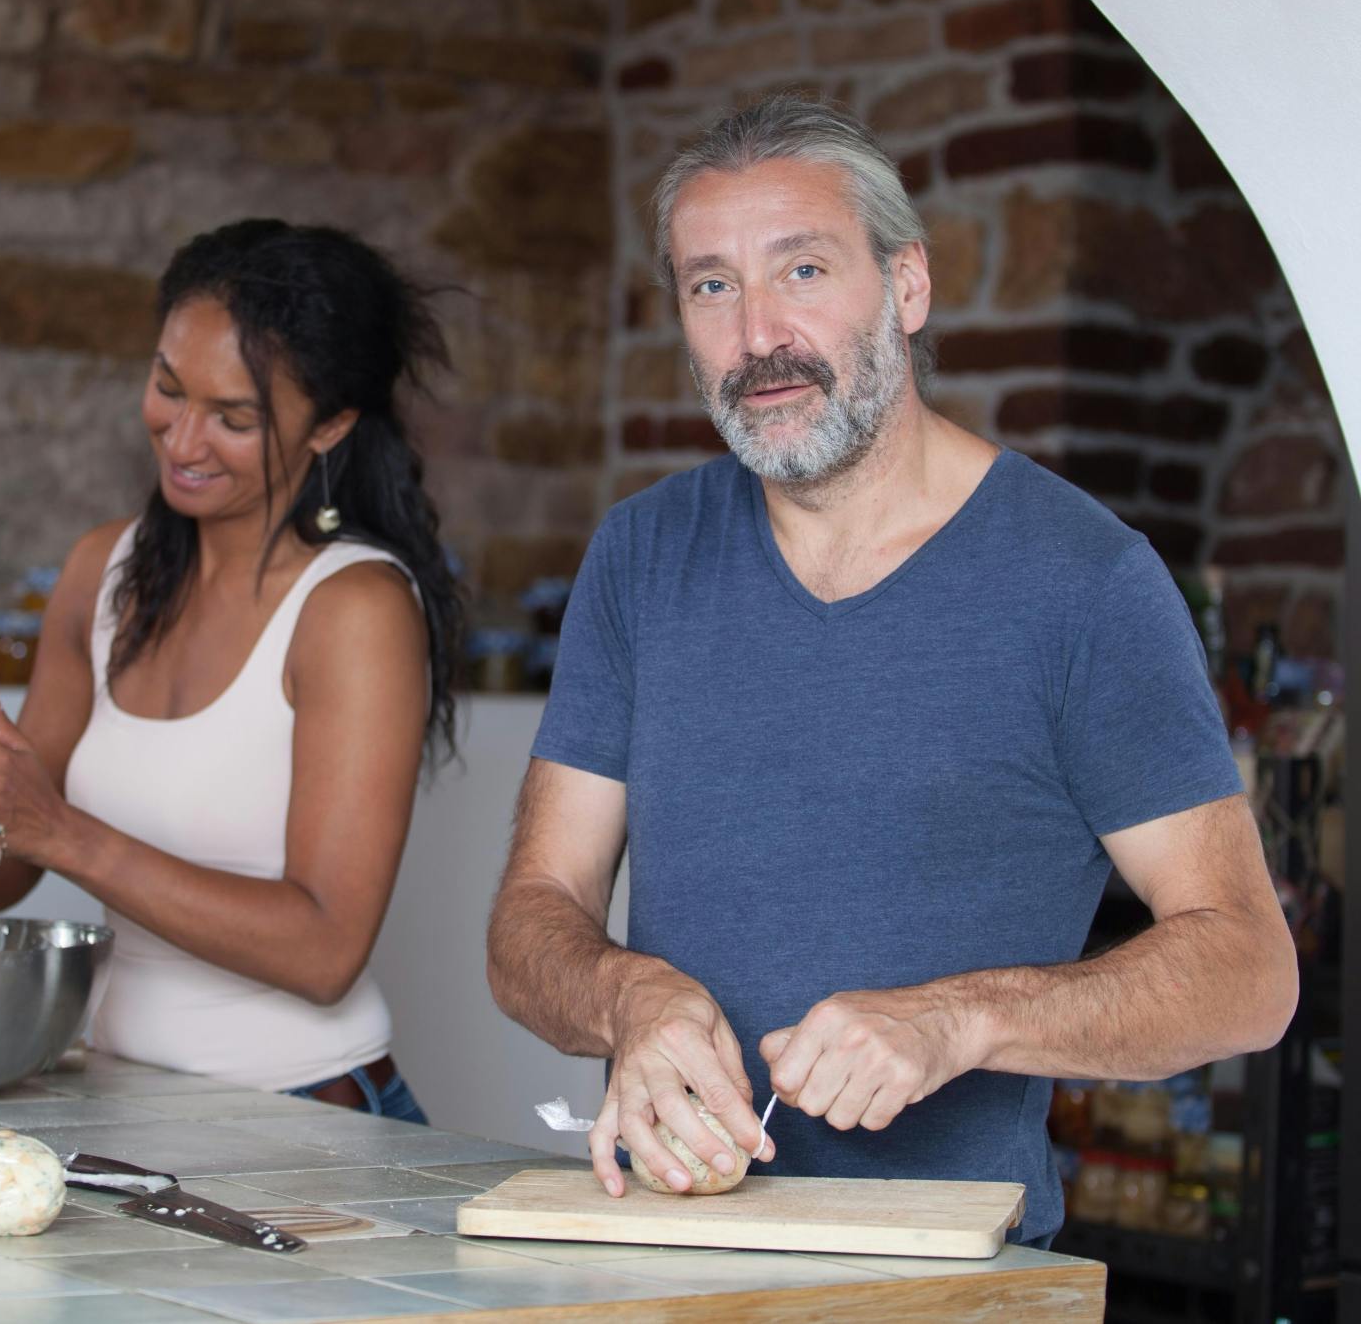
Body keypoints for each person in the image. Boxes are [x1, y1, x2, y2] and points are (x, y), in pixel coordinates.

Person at [484, 95, 1297, 1247]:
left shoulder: (1083, 582)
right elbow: (531, 919)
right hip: (669, 1250)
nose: (756, 332)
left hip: (947, 1279)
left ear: (905, 288)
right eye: (710, 285)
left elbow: (1247, 970)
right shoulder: (642, 554)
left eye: (802, 269)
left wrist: (954, 1022)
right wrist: (626, 996)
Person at [0, 219, 461, 1121]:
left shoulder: (355, 610)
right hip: (122, 1098)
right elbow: (13, 869)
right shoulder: (102, 573)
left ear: (331, 425)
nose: (182, 440)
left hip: (306, 1115)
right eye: (167, 388)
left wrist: (60, 831)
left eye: (234, 417)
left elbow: (324, 946)